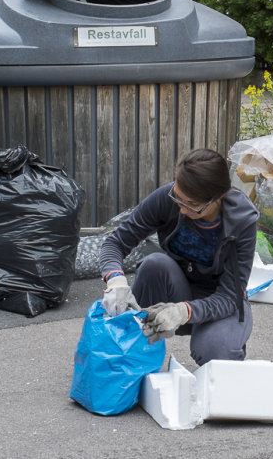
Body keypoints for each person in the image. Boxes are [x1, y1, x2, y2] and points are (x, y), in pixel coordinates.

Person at [99, 148, 259, 366]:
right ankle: (136, 360)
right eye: (178, 197)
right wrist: (115, 278)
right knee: (154, 264)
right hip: (177, 286)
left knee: (219, 354)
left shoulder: (242, 222)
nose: (182, 210)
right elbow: (115, 243)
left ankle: (227, 342)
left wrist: (184, 311)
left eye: (192, 205)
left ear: (219, 197)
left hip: (220, 300)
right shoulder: (167, 199)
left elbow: (230, 296)